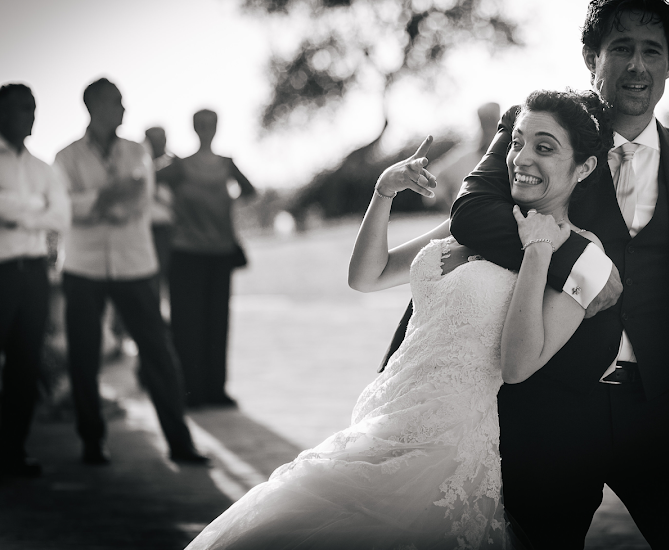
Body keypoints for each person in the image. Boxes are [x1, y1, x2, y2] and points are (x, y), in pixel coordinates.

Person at [383, 0, 669, 548]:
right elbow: (472, 214)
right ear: (592, 59)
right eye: (621, 47)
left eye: (652, 50)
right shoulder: (536, 127)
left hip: (664, 411)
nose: (637, 64)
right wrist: (579, 261)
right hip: (548, 404)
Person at [184, 89, 620, 549]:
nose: (522, 158)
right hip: (382, 419)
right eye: (517, 142)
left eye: (544, 147)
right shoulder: (475, 222)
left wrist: (538, 253)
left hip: (446, 448)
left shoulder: (584, 259)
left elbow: (516, 366)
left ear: (584, 168)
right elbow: (368, 276)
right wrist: (382, 193)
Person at [54, 78, 208, 466]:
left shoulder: (136, 150)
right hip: (82, 267)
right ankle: (92, 442)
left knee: (158, 353)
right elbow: (65, 210)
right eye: (116, 102)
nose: (124, 109)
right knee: (84, 358)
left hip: (135, 265)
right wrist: (107, 196)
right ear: (95, 106)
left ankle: (180, 443)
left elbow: (138, 201)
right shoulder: (66, 157)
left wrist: (95, 203)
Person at [0, 83, 71, 483]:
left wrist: (19, 213)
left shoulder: (42, 168)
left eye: (33, 108)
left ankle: (11, 450)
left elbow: (61, 217)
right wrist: (37, 209)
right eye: (21, 109)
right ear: (0, 112)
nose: (30, 115)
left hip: (33, 274)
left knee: (24, 366)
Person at [156, 109, 256, 408]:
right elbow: (147, 181)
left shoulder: (227, 163)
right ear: (194, 128)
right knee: (186, 324)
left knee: (217, 323)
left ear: (217, 127)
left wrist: (223, 204)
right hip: (185, 254)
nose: (206, 129)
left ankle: (215, 391)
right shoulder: (178, 166)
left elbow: (249, 190)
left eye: (210, 124)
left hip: (220, 254)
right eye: (201, 124)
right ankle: (190, 392)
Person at [143, 126, 175, 305]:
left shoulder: (176, 165)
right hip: (146, 233)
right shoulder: (138, 166)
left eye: (160, 139)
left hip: (171, 231)